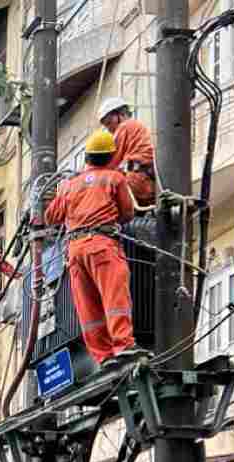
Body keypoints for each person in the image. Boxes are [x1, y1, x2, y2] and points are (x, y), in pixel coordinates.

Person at [44, 129, 144, 370]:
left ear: (87, 157)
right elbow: (127, 213)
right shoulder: (114, 178)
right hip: (102, 246)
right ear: (111, 156)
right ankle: (123, 346)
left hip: (75, 251)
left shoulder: (68, 186)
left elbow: (51, 216)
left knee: (88, 306)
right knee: (114, 297)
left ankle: (103, 355)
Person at [99, 96, 155, 208]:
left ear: (121, 115)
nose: (109, 128)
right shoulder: (137, 128)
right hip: (147, 183)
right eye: (106, 125)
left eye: (109, 122)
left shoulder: (125, 126)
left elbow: (110, 161)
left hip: (135, 180)